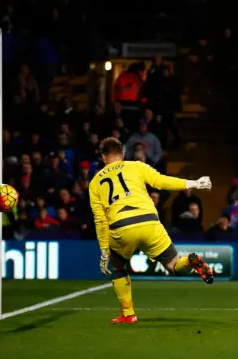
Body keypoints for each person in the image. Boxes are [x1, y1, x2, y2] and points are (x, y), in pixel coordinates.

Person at [89, 137, 214, 324]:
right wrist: (194, 183)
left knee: (118, 266)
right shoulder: (136, 166)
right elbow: (161, 181)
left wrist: (104, 249)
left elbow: (100, 219)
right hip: (149, 221)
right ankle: (189, 261)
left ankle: (129, 314)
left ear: (104, 158)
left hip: (122, 227)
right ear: (122, 154)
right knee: (174, 265)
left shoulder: (95, 182)